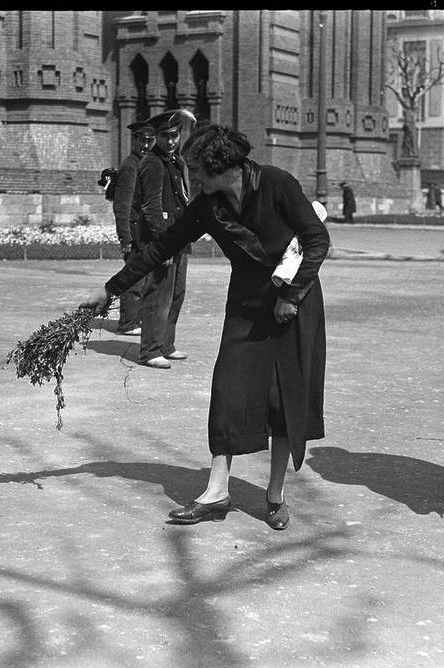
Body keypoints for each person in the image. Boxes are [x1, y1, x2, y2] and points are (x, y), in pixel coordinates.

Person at [81, 123, 329, 530]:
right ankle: (217, 493)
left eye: (197, 169)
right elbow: (161, 247)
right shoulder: (208, 205)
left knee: (284, 398)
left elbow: (316, 240)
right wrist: (109, 290)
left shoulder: (277, 184)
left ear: (221, 168)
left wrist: (291, 296)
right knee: (228, 389)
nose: (192, 176)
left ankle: (275, 495)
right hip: (247, 304)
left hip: (294, 301)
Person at [135, 110, 194, 368]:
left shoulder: (175, 162)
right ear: (156, 136)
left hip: (179, 239)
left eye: (175, 135)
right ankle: (150, 350)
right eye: (165, 136)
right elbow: (151, 208)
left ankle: (166, 344)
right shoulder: (152, 163)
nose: (171, 141)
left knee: (177, 293)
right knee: (158, 294)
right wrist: (162, 246)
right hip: (162, 242)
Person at [111, 119, 157, 335]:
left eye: (150, 141)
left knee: (145, 277)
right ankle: (128, 322)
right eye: (142, 141)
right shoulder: (131, 166)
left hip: (146, 232)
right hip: (135, 232)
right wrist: (125, 238)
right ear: (134, 141)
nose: (146, 145)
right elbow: (122, 205)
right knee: (133, 278)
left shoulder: (148, 164)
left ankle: (136, 319)